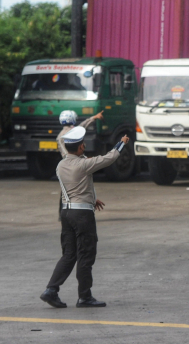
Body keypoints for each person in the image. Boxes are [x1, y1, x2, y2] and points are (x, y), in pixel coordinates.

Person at [40, 127, 129, 309]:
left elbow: (76, 186)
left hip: (67, 212)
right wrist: (122, 143)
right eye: (83, 145)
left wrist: (92, 199)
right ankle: (84, 297)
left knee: (69, 254)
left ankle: (51, 289)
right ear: (80, 147)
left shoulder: (61, 165)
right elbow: (109, 158)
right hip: (82, 215)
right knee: (86, 255)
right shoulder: (84, 164)